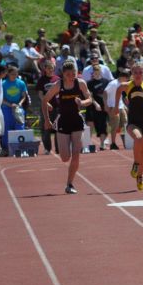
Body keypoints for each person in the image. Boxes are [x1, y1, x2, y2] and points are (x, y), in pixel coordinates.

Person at [42, 61, 93, 194]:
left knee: (76, 155)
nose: (71, 76)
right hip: (63, 121)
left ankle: (69, 184)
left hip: (76, 121)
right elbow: (44, 100)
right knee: (65, 157)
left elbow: (90, 99)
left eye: (74, 74)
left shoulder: (80, 83)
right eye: (68, 74)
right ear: (63, 74)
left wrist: (82, 102)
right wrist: (47, 120)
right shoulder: (58, 85)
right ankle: (67, 153)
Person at [113, 63, 143, 191]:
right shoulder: (127, 86)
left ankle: (140, 176)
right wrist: (117, 106)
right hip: (133, 122)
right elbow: (118, 90)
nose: (138, 75)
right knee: (138, 139)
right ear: (132, 74)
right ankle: (135, 164)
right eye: (136, 73)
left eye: (140, 72)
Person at [85, 65, 110, 150]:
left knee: (102, 125)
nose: (95, 73)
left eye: (97, 71)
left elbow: (107, 94)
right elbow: (89, 96)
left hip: (103, 107)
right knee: (90, 124)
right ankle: (88, 143)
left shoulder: (106, 81)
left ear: (100, 72)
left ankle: (102, 144)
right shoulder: (89, 83)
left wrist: (106, 104)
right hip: (92, 107)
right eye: (94, 72)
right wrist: (96, 104)